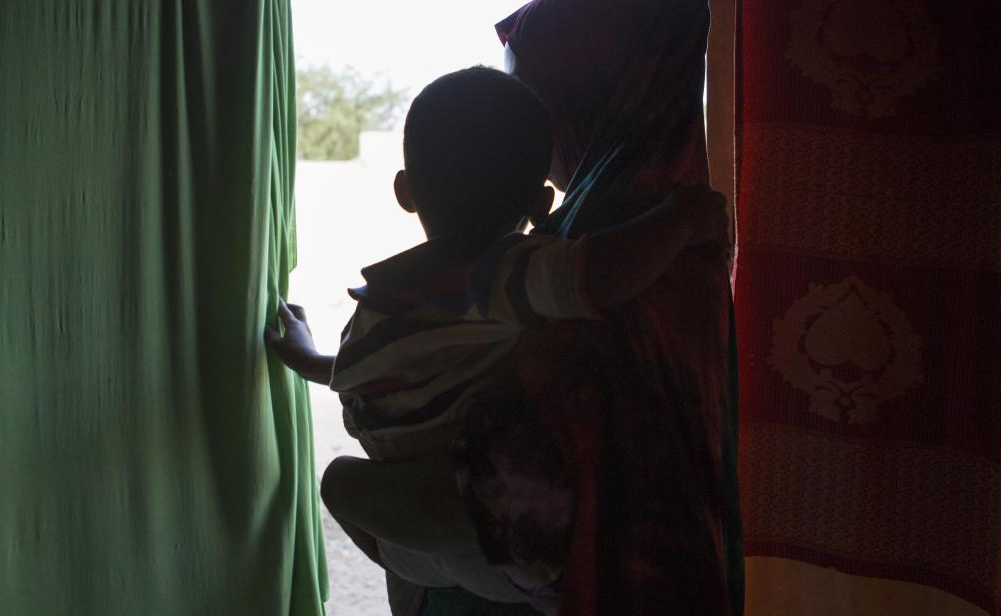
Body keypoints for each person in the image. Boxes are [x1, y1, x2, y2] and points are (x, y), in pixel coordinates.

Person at [265, 66, 729, 606]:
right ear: (540, 205)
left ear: (406, 192)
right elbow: (599, 275)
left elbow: (376, 368)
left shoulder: (422, 287)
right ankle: (470, 570)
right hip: (476, 515)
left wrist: (308, 358)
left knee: (338, 483)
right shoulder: (505, 273)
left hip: (452, 504)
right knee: (354, 489)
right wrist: (681, 218)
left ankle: (442, 568)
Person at [446, 0, 744, 614]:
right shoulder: (662, 218)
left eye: (530, 103)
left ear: (592, 97)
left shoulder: (631, 248)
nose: (519, 135)